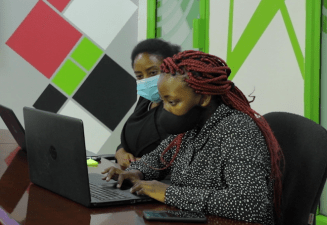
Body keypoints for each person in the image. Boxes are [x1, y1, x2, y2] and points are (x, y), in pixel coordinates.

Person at [103, 50, 283, 225]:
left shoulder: (237, 130)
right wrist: (136, 172)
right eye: (163, 101)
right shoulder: (191, 127)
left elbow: (251, 204)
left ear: (203, 98)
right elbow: (158, 158)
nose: (165, 109)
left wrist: (168, 193)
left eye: (172, 102)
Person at [115, 39, 181, 169]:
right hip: (133, 175)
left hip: (158, 183)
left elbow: (179, 160)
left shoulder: (178, 109)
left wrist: (141, 165)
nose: (146, 80)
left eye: (153, 73)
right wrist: (120, 152)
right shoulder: (146, 100)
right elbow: (130, 139)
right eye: (139, 76)